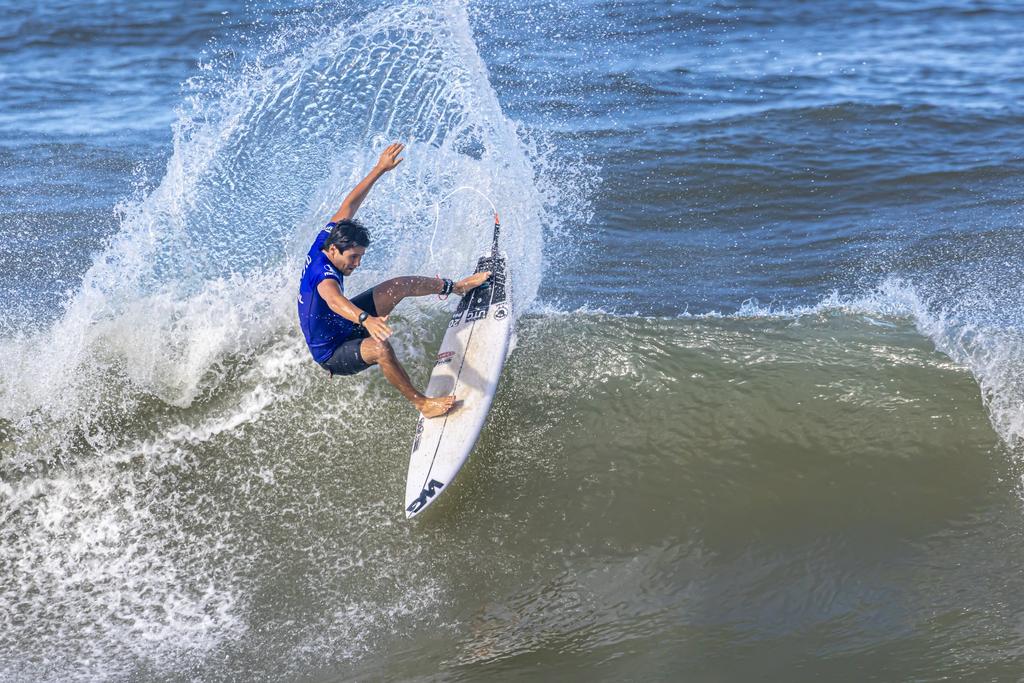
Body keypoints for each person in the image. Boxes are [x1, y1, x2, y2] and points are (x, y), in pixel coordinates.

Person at [297, 142, 489, 418]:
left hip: (342, 323)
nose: (357, 263)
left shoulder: (327, 239)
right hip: (332, 351)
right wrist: (366, 320)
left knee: (400, 285)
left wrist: (379, 169)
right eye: (353, 257)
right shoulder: (323, 276)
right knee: (380, 349)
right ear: (333, 251)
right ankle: (422, 404)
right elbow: (335, 300)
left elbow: (349, 204)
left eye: (360, 256)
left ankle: (457, 287)